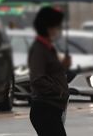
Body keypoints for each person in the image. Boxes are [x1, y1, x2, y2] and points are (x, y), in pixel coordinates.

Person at [28, 7, 71, 136]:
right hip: (45, 109)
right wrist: (59, 90)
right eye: (56, 26)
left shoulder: (48, 47)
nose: (58, 30)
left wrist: (63, 66)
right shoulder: (39, 49)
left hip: (53, 108)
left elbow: (51, 72)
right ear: (47, 27)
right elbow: (37, 79)